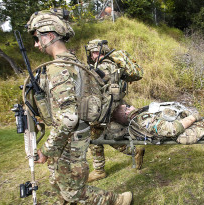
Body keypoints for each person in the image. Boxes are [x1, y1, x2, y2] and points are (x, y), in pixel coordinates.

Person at [26, 9, 132, 204]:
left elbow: (68, 119)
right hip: (75, 134)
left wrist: (47, 150)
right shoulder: (75, 63)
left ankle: (118, 201)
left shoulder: (59, 69)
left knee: (73, 190)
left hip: (71, 137)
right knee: (60, 182)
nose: (35, 44)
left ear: (49, 36)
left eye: (36, 38)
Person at [85, 39, 145, 183]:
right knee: (105, 136)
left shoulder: (104, 66)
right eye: (92, 52)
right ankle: (134, 151)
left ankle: (99, 170)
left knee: (97, 138)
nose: (93, 56)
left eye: (94, 52)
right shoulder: (111, 64)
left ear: (102, 52)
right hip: (110, 106)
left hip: (105, 108)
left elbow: (98, 87)